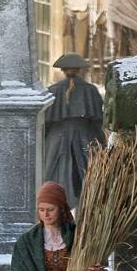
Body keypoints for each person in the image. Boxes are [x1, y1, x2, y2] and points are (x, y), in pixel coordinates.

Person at [43, 53, 106, 208]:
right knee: (87, 169)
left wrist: (46, 139)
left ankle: (55, 203)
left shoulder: (53, 90)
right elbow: (97, 120)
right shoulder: (90, 90)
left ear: (63, 70)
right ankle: (88, 204)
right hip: (85, 135)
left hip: (57, 136)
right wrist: (101, 142)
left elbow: (46, 120)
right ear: (79, 70)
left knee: (54, 170)